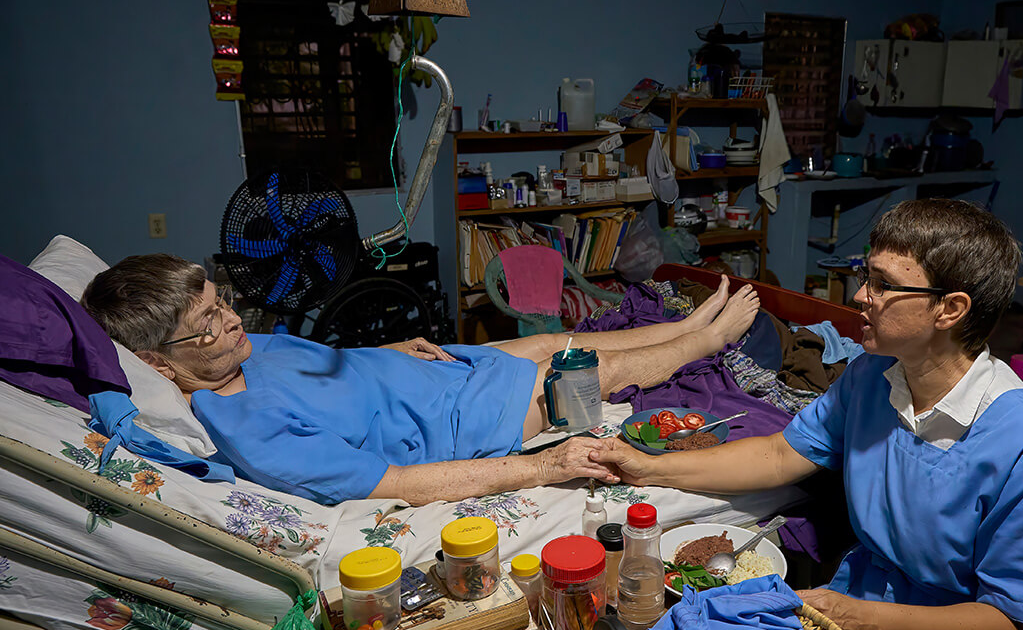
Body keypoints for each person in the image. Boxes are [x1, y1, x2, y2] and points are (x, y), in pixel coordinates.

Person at [591, 198, 1023, 630]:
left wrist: (872, 621)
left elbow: (1016, 624)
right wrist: (645, 468)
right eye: (867, 276)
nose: (861, 295)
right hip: (862, 613)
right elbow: (780, 453)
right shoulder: (871, 377)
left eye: (883, 285)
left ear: (950, 309)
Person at [81, 254, 756, 506]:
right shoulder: (248, 426)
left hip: (430, 371)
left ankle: (684, 328)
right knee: (582, 369)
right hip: (460, 423)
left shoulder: (236, 346)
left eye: (221, 305)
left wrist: (390, 350)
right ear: (158, 365)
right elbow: (400, 485)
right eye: (205, 325)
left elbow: (323, 367)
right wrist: (544, 468)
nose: (230, 325)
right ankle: (705, 340)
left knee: (554, 337)